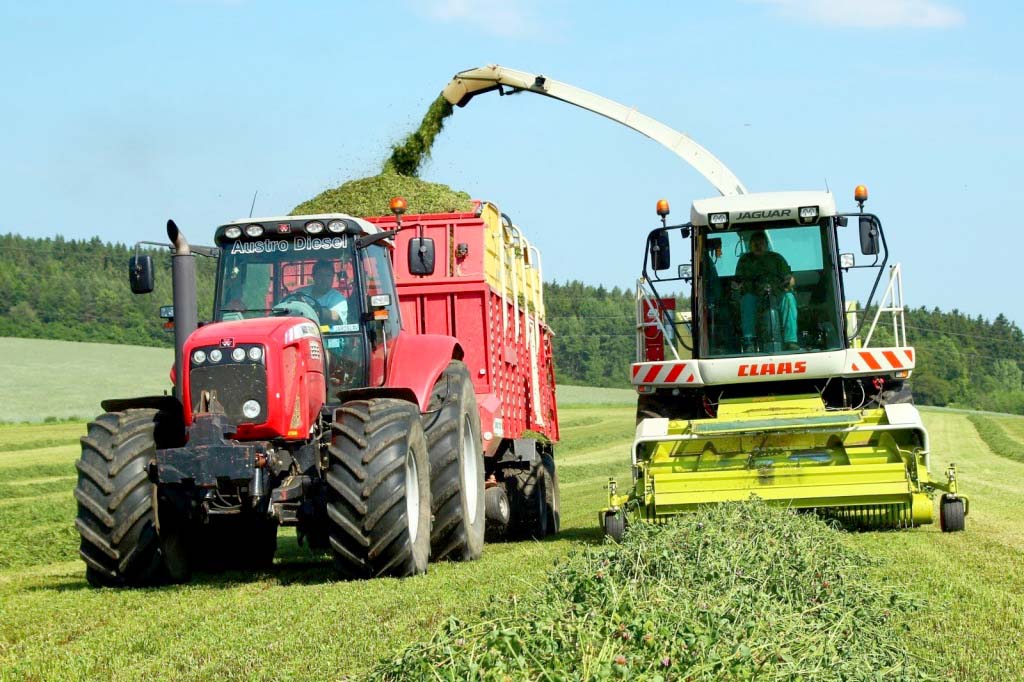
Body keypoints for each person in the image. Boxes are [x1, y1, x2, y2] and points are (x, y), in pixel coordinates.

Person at [733, 230, 798, 351]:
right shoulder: (744, 261)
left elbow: (789, 278)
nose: (758, 246)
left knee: (788, 298)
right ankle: (749, 341)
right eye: (755, 243)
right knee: (747, 300)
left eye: (761, 243)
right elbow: (737, 281)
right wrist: (736, 286)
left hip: (777, 293)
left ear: (767, 244)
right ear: (749, 245)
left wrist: (789, 281)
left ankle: (791, 341)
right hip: (754, 295)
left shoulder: (777, 258)